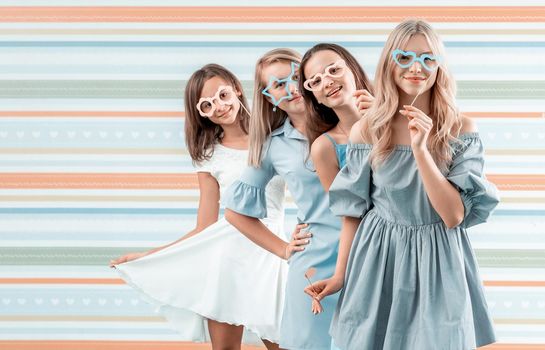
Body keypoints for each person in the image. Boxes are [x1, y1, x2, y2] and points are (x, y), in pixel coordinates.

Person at [306, 19, 500, 350]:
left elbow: (453, 215)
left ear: (439, 67)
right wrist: (340, 275)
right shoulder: (366, 130)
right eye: (405, 57)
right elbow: (352, 212)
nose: (416, 68)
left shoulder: (460, 128)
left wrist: (422, 149)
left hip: (439, 258)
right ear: (389, 63)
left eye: (428, 59)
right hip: (378, 255)